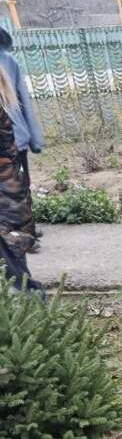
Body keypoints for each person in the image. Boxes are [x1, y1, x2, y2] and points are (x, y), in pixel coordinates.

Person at [0, 28, 44, 248]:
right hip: (18, 138)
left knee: (17, 186)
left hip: (15, 139)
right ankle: (24, 233)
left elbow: (22, 100)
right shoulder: (9, 60)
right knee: (18, 186)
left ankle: (25, 233)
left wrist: (34, 138)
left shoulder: (8, 62)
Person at [0, 68, 42, 292]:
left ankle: (33, 313)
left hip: (5, 198)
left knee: (15, 277)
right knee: (15, 271)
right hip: (10, 195)